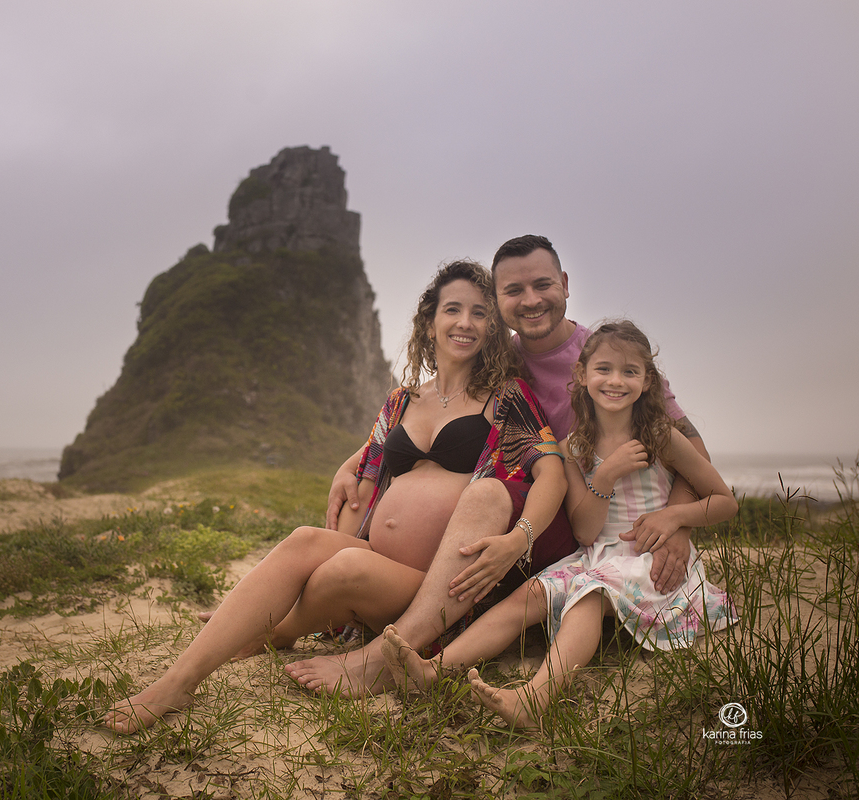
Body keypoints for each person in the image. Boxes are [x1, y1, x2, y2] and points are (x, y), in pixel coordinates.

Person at [104, 260, 575, 733]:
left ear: (493, 329)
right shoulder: (402, 400)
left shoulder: (506, 396)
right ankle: (181, 679)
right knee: (305, 540)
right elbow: (368, 465)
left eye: (480, 313)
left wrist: (521, 537)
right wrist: (344, 470)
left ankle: (304, 640)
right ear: (430, 322)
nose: (465, 323)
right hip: (379, 561)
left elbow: (550, 473)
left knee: (344, 569)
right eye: (453, 310)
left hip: (443, 591)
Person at [296, 235, 710, 697]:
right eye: (514, 290)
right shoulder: (496, 357)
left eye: (542, 285)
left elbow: (691, 452)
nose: (531, 300)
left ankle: (397, 650)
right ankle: (325, 622)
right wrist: (355, 463)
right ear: (496, 300)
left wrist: (677, 522)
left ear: (566, 284)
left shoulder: (608, 359)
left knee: (491, 499)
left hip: (594, 525)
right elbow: (430, 417)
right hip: (570, 517)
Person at [381, 320, 738, 729]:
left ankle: (536, 699)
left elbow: (724, 502)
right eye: (604, 369)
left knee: (589, 593)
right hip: (596, 555)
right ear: (583, 375)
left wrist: (673, 516)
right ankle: (434, 671)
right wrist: (604, 478)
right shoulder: (573, 448)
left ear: (648, 380)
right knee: (528, 596)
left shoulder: (662, 438)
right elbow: (585, 532)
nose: (615, 381)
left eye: (630, 371)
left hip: (648, 563)